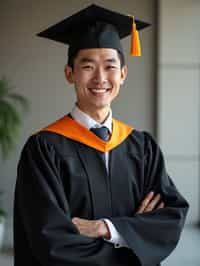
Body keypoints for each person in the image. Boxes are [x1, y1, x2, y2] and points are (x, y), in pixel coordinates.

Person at [14, 4, 189, 266]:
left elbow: (170, 218)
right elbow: (49, 240)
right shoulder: (44, 148)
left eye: (109, 66)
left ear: (123, 74)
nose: (100, 78)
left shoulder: (142, 147)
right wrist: (131, 237)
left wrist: (105, 228)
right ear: (69, 74)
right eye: (88, 66)